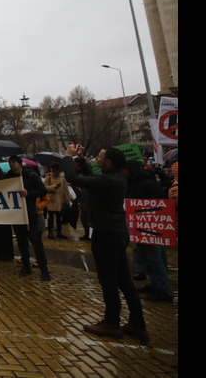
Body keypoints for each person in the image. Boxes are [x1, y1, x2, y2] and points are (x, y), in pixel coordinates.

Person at [62, 144, 148, 343]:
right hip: (116, 232)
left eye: (100, 157)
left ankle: (111, 322)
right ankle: (137, 322)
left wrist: (68, 157)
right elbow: (93, 179)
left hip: (107, 234)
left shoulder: (110, 180)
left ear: (108, 162)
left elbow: (73, 178)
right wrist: (82, 160)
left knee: (108, 280)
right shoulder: (114, 178)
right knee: (124, 280)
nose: (97, 159)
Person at [124, 160, 173, 302]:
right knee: (145, 257)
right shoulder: (132, 183)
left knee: (154, 258)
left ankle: (163, 289)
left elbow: (159, 204)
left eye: (125, 169)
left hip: (150, 227)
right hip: (138, 226)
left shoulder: (148, 183)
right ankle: (154, 284)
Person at [6, 156, 50, 280]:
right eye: (9, 163)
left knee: (36, 241)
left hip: (30, 214)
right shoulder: (9, 177)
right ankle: (26, 266)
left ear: (20, 164)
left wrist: (29, 194)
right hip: (17, 214)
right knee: (22, 242)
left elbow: (42, 191)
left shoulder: (31, 176)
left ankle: (44, 269)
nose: (11, 165)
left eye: (13, 162)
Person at [44, 163, 69, 239]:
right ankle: (50, 232)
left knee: (59, 218)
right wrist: (53, 187)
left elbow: (65, 190)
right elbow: (44, 188)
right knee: (51, 217)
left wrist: (67, 200)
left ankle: (59, 232)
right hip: (51, 200)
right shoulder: (48, 178)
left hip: (59, 201)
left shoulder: (62, 179)